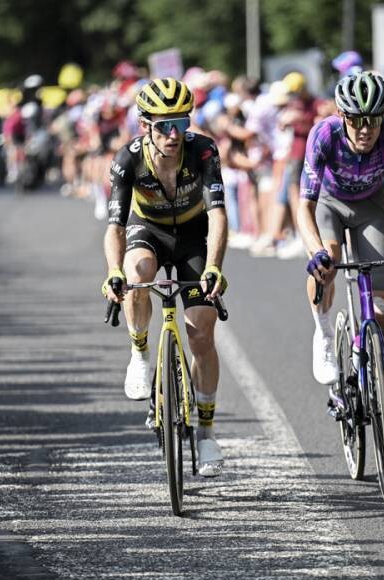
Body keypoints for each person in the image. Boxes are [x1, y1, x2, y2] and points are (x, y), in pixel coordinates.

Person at [101, 78, 229, 477]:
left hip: (192, 234)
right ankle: (140, 352)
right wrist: (114, 271)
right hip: (148, 230)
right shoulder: (127, 160)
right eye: (164, 126)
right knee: (137, 273)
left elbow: (218, 215)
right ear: (145, 125)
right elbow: (115, 227)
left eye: (181, 123)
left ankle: (206, 433)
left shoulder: (203, 150)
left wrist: (214, 266)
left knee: (201, 332)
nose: (174, 134)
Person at [296, 70, 384, 461]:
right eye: (356, 119)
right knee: (330, 258)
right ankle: (323, 332)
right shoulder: (324, 134)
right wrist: (316, 251)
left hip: (371, 207)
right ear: (342, 115)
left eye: (374, 119)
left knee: (382, 311)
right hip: (329, 205)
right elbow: (304, 206)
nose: (366, 129)